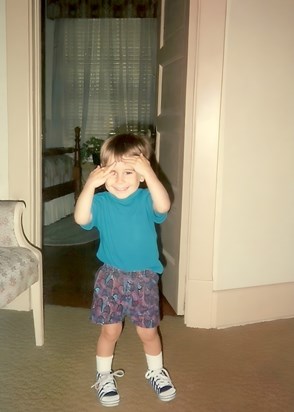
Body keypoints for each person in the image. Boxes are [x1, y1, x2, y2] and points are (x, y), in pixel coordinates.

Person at [74, 133, 176, 407]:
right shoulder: (101, 203)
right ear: (102, 174)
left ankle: (156, 371)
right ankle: (104, 375)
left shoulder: (146, 199)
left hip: (143, 278)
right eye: (113, 172)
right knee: (110, 331)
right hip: (111, 277)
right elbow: (81, 218)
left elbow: (164, 205)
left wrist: (150, 174)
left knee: (148, 332)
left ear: (142, 175)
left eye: (129, 172)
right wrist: (89, 186)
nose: (119, 180)